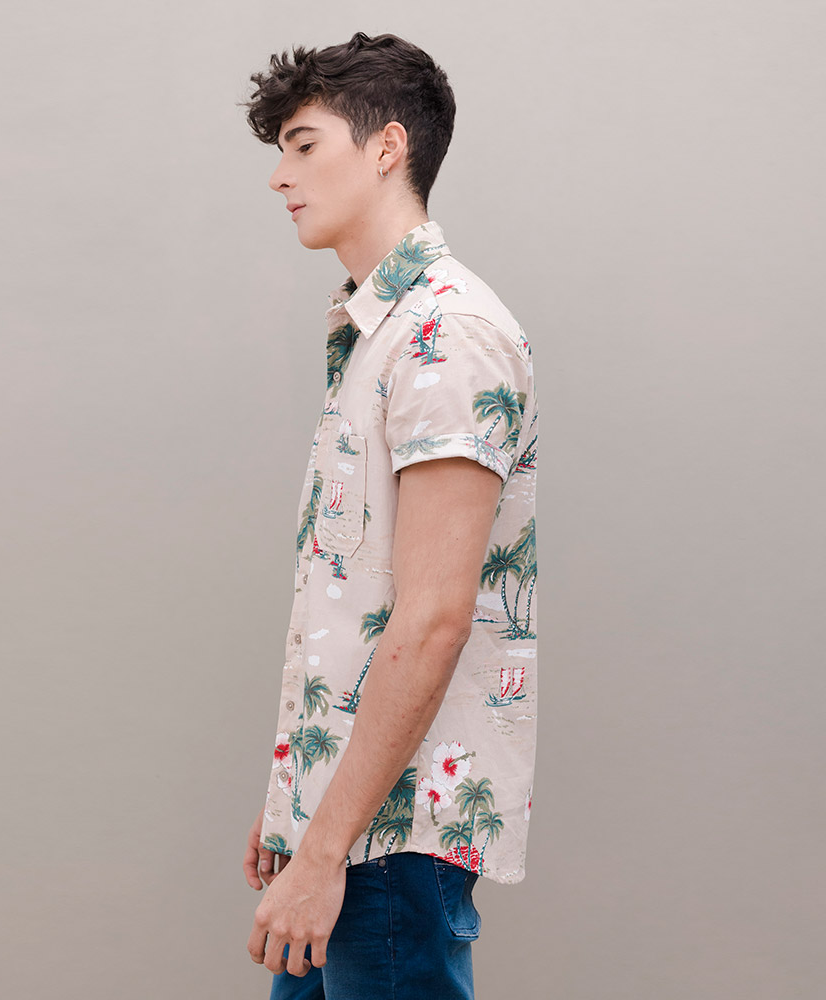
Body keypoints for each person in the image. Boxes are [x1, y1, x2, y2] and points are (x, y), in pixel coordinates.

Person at [238, 31, 539, 1000]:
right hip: (342, 823)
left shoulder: (447, 333)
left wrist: (325, 848)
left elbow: (434, 616)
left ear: (386, 147)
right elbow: (353, 605)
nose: (280, 176)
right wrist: (296, 799)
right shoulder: (381, 330)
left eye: (302, 144)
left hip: (386, 842)